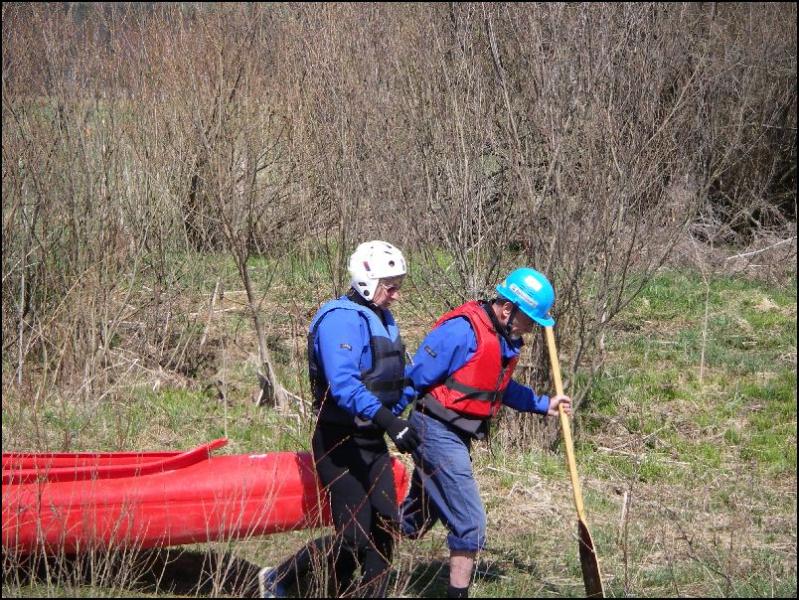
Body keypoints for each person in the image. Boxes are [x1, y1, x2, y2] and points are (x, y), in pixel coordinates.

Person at [399, 267, 573, 599]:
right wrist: (388, 423)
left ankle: (346, 539)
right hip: (434, 430)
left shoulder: (504, 339)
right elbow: (415, 380)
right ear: (508, 309)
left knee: (412, 523)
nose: (531, 328)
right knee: (470, 523)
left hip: (458, 434)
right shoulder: (461, 332)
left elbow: (498, 387)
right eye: (529, 320)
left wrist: (543, 403)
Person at [259, 240, 420, 598]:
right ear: (367, 281)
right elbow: (344, 386)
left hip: (371, 440)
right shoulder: (340, 320)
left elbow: (397, 378)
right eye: (390, 287)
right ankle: (279, 578)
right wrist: (392, 424)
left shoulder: (381, 318)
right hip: (338, 441)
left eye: (398, 287)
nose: (396, 296)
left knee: (385, 528)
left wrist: (407, 414)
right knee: (353, 538)